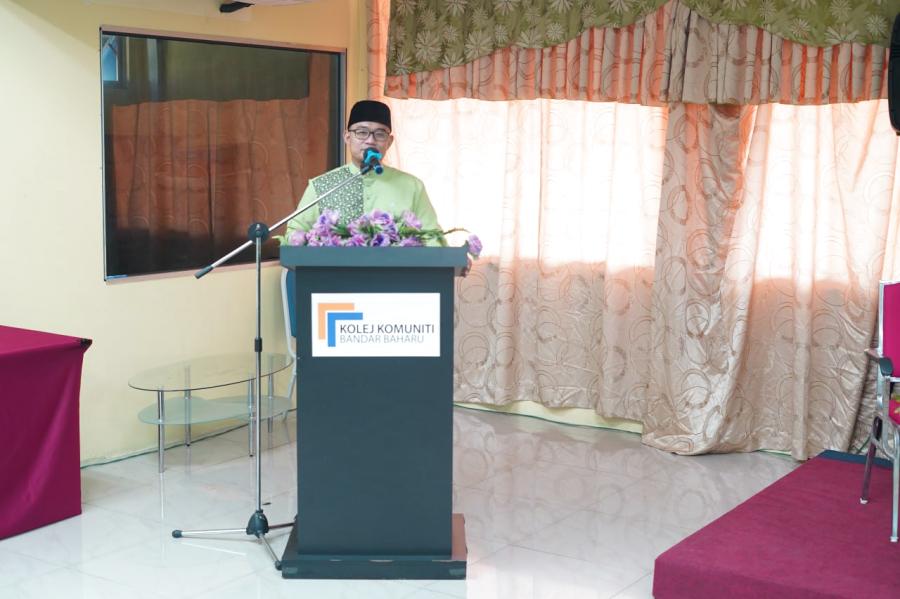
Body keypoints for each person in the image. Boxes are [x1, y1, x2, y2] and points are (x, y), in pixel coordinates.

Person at [285, 100, 441, 240]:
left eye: (380, 134)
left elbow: (433, 238)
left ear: (389, 142)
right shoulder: (322, 186)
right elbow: (294, 235)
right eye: (361, 132)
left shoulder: (412, 186)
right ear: (347, 137)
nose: (370, 140)